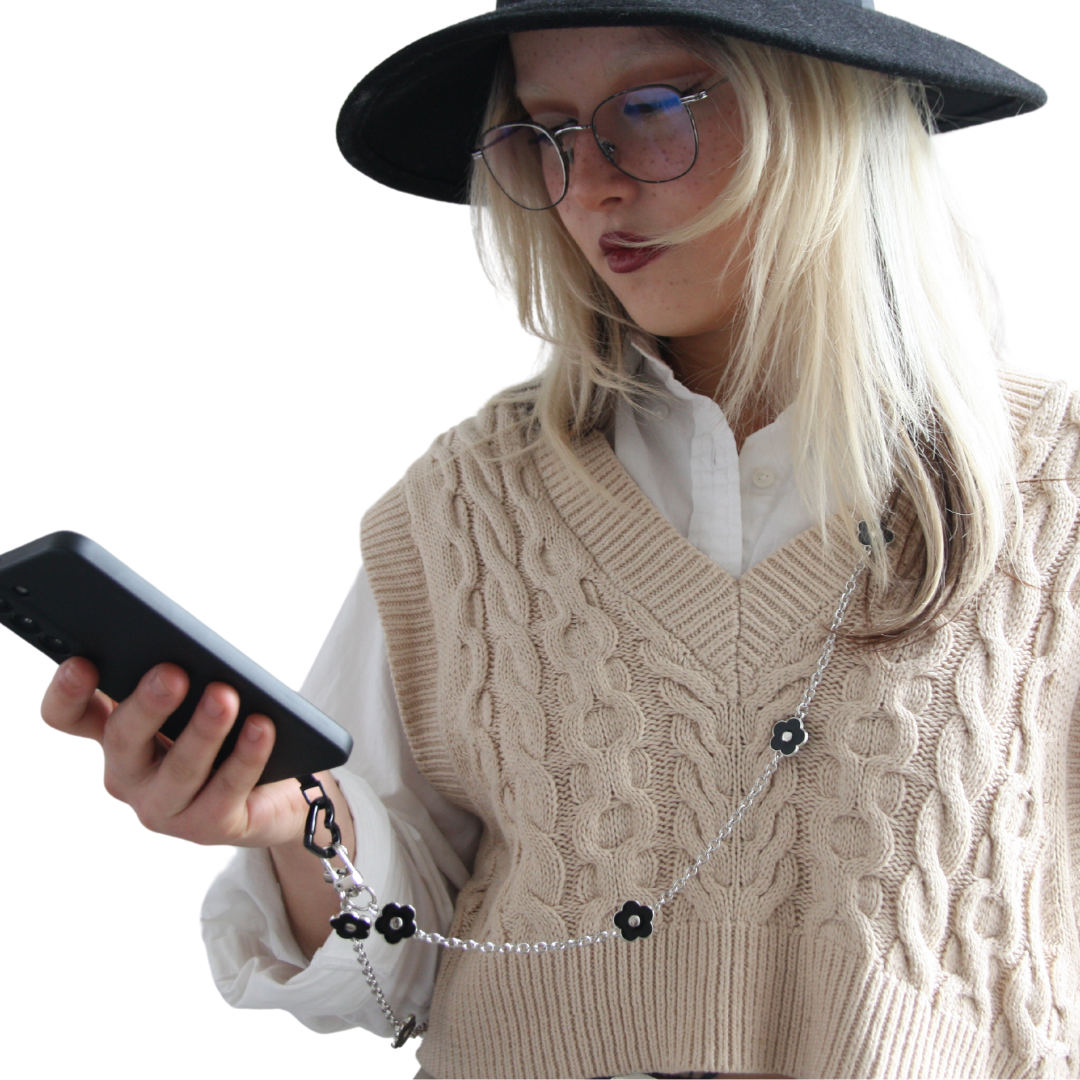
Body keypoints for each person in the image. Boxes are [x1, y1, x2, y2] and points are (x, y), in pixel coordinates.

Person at [39, 1, 1077, 1077]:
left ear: (824, 114)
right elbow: (400, 960)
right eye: (544, 133)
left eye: (650, 106)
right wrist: (287, 817)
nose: (591, 186)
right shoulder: (462, 517)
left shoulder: (1058, 494)